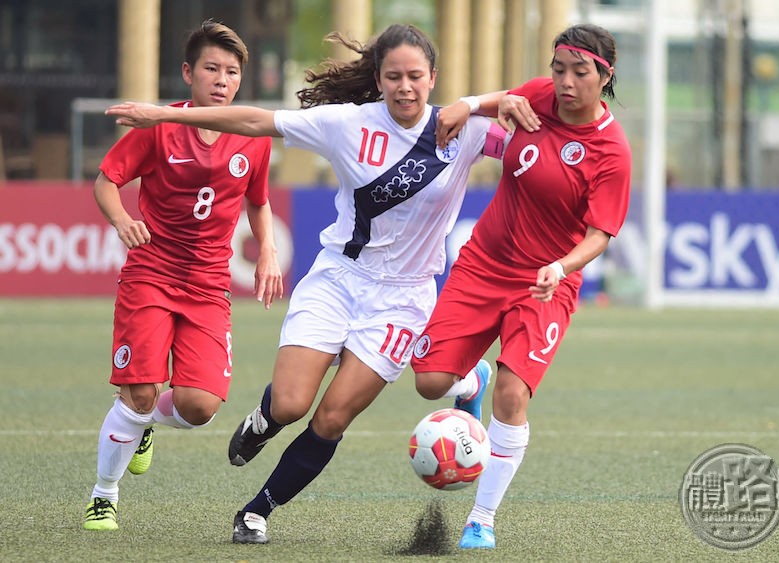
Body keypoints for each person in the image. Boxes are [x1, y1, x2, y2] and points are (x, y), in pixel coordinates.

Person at [106, 23, 537, 544]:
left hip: (402, 299)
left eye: (416, 77)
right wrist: (162, 114)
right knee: (289, 404)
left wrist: (474, 104)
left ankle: (257, 510)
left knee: (331, 417)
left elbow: (535, 124)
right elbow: (254, 120)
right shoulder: (346, 124)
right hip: (337, 278)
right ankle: (264, 422)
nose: (405, 87)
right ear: (378, 80)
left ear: (433, 79)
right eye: (394, 76)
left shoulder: (462, 130)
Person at [412, 23, 631, 550]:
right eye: (559, 70)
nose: (566, 82)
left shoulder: (612, 152)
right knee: (429, 383)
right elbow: (503, 99)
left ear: (605, 75)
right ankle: (470, 384)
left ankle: (481, 518)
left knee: (514, 396)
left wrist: (562, 265)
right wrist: (467, 104)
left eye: (580, 72)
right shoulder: (541, 97)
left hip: (546, 284)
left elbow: (600, 234)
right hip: (484, 264)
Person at [83, 19, 283, 531]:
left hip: (209, 284)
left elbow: (258, 202)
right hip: (151, 271)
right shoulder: (160, 126)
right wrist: (124, 220)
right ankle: (104, 494)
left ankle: (142, 421)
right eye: (212, 68)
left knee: (200, 407)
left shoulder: (252, 137)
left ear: (240, 80)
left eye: (232, 71)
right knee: (141, 390)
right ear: (188, 73)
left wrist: (266, 253)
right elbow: (108, 181)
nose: (222, 79)